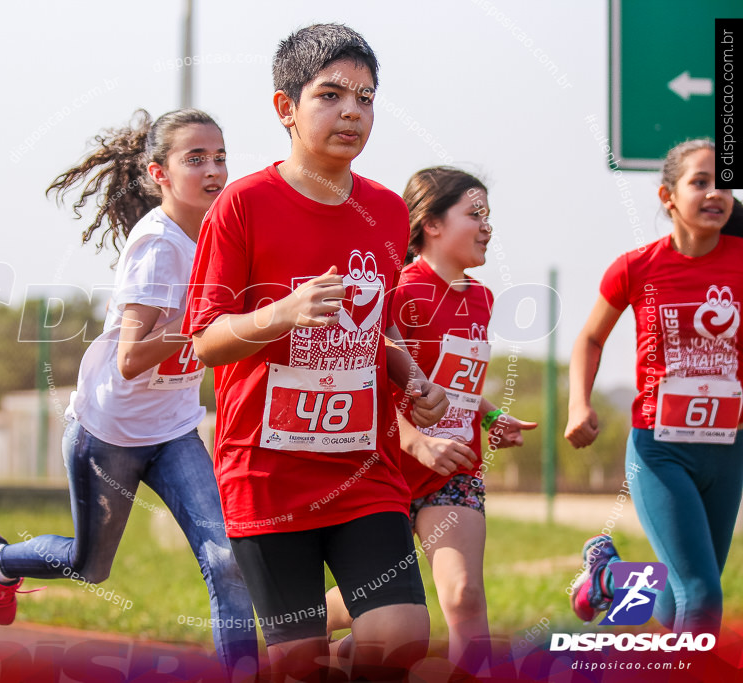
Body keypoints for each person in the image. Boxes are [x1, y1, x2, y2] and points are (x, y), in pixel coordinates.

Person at [186, 23, 450, 682]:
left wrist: (411, 374)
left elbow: (376, 326)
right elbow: (206, 340)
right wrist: (282, 313)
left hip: (364, 471)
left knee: (399, 638)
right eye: (331, 95)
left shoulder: (389, 212)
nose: (352, 111)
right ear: (286, 107)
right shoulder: (242, 206)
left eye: (365, 97)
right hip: (267, 476)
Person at [0, 109, 258, 678]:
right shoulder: (158, 246)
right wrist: (204, 326)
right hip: (110, 431)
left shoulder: (222, 235)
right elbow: (130, 358)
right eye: (194, 158)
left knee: (228, 563)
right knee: (89, 565)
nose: (214, 169)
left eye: (220, 156)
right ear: (159, 174)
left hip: (172, 427)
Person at [323, 168, 536, 672]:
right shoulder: (397, 291)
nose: (487, 227)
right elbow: (366, 381)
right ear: (432, 224)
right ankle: (306, 631)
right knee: (374, 610)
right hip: (386, 471)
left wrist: (490, 416)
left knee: (463, 595)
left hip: (453, 473)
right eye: (475, 214)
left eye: (489, 216)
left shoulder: (482, 300)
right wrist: (417, 441)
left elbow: (456, 381)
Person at [565, 139, 743, 635]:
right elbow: (590, 339)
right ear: (668, 197)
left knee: (680, 596)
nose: (715, 193)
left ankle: (611, 582)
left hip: (728, 449)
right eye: (700, 182)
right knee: (702, 595)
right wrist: (579, 404)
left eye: (724, 182)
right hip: (660, 450)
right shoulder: (636, 267)